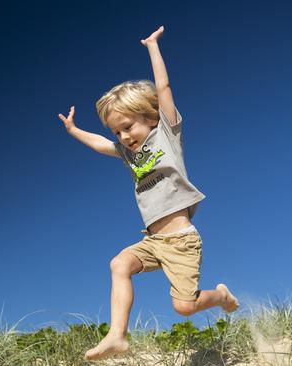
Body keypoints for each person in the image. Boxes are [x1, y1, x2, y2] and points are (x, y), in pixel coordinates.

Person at [57, 26, 239, 361]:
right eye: (117, 131)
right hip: (153, 241)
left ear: (150, 117)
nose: (123, 136)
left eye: (128, 127)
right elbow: (102, 145)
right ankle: (117, 336)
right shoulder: (128, 153)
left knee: (184, 307)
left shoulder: (166, 134)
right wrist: (73, 131)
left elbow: (164, 88)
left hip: (181, 240)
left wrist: (153, 47)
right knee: (119, 264)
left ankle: (222, 297)